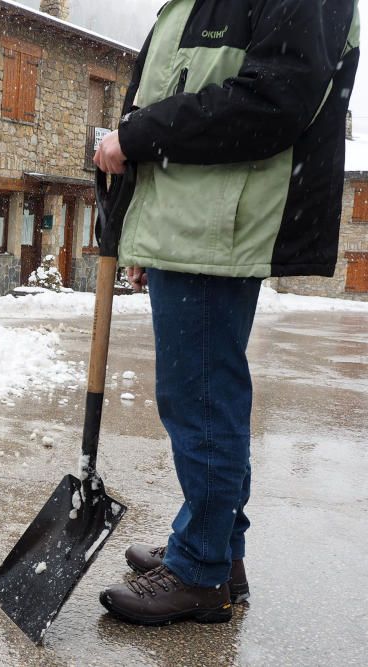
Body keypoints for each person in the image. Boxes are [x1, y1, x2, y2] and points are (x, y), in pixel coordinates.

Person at [93, 0, 359, 626]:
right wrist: (145, 230)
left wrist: (132, 136)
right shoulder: (190, 5)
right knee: (201, 396)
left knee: (202, 399)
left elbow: (272, 103)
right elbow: (182, 102)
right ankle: (215, 546)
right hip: (188, 227)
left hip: (220, 229)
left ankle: (200, 571)